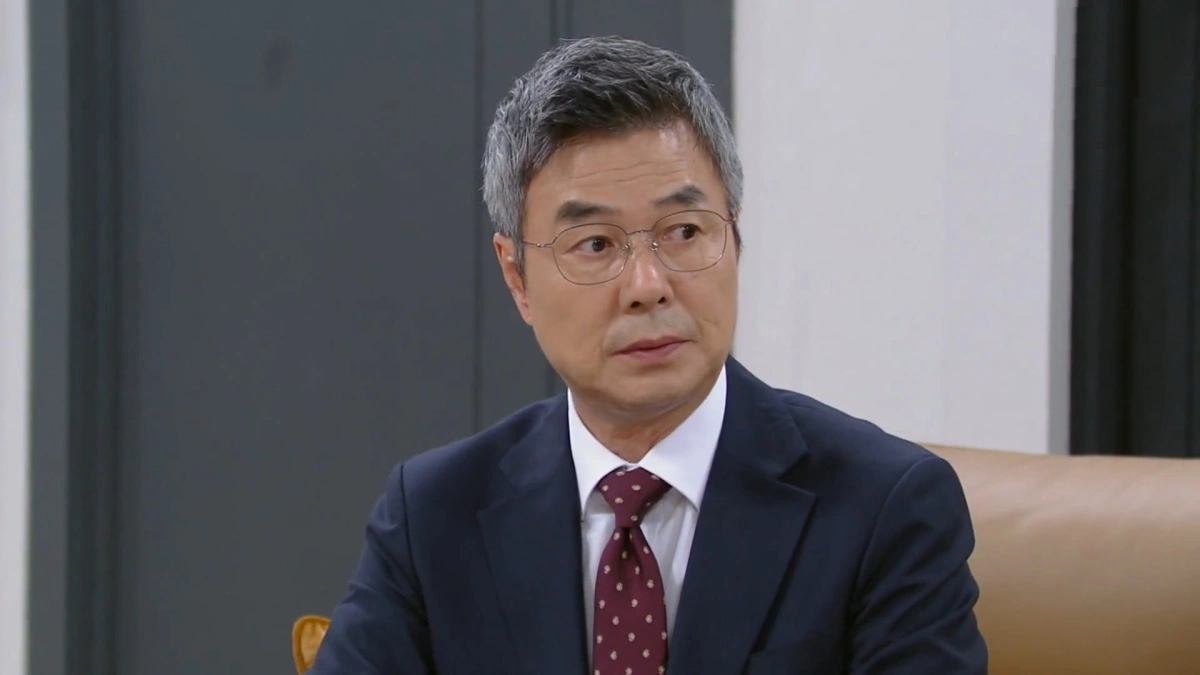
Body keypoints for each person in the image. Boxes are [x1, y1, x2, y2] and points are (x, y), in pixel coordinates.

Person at [309, 36, 987, 675]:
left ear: (736, 238)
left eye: (684, 231)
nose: (647, 285)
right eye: (595, 244)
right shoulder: (434, 515)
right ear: (516, 277)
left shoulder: (883, 509)